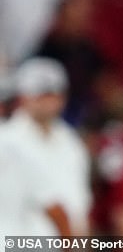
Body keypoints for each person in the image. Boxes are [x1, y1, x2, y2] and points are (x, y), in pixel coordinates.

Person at [1, 57, 92, 237]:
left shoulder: (71, 142)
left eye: (54, 94)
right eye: (42, 95)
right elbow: (50, 205)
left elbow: (80, 200)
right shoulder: (6, 140)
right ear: (23, 97)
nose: (49, 102)